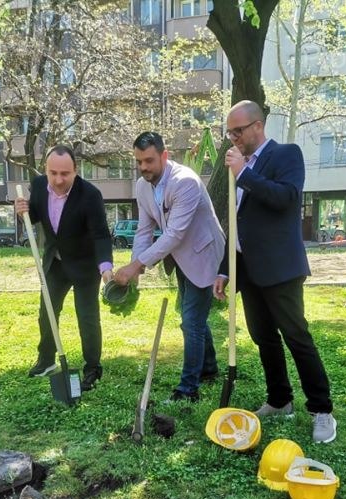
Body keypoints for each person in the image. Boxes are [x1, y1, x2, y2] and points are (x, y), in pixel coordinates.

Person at [213, 100, 337, 444]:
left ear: (258, 126)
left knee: (297, 337)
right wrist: (225, 269)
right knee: (263, 337)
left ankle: (322, 410)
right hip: (248, 270)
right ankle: (280, 400)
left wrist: (245, 174)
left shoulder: (285, 155)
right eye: (230, 132)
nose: (233, 138)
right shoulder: (237, 166)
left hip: (281, 268)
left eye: (238, 131)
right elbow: (236, 223)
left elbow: (286, 198)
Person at [114, 132, 225, 402]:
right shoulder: (142, 186)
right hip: (180, 258)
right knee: (194, 319)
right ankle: (208, 369)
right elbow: (144, 229)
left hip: (204, 254)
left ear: (165, 155)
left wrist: (138, 265)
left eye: (149, 160)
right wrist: (135, 268)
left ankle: (188, 390)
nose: (143, 167)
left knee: (191, 322)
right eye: (139, 162)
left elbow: (174, 233)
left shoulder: (185, 181)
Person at [15, 145, 113, 392]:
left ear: (75, 171)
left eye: (65, 174)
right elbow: (35, 217)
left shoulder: (90, 195)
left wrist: (105, 268)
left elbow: (101, 235)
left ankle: (92, 368)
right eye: (53, 173)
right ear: (46, 170)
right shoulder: (38, 186)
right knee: (46, 311)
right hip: (56, 262)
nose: (58, 180)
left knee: (87, 318)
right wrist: (22, 212)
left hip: (84, 265)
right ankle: (47, 360)